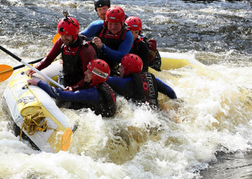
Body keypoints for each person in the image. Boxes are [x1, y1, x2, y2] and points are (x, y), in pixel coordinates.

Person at [27, 13, 96, 92]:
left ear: (75, 34)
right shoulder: (61, 41)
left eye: (67, 35)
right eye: (62, 35)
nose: (64, 38)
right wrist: (36, 68)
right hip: (66, 78)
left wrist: (73, 88)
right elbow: (49, 58)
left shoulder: (86, 49)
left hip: (82, 83)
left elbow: (87, 77)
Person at [27, 59, 117, 117]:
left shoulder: (91, 93)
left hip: (96, 119)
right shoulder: (105, 86)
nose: (85, 73)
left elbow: (62, 95)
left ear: (96, 77)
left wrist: (39, 83)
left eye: (89, 72)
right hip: (102, 115)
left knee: (64, 102)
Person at [106, 54, 177, 109]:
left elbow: (103, 78)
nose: (118, 70)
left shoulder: (123, 83)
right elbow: (171, 92)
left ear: (127, 71)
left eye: (121, 67)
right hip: (155, 112)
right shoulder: (152, 79)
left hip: (138, 115)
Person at [79, 6, 133, 76]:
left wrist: (102, 47)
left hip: (111, 67)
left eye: (116, 24)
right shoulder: (97, 26)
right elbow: (76, 37)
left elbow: (120, 57)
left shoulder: (127, 35)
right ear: (106, 22)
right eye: (110, 23)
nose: (113, 27)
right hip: (92, 63)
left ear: (122, 23)